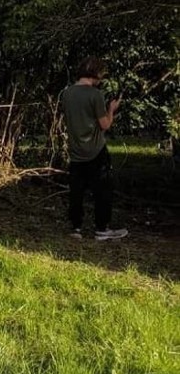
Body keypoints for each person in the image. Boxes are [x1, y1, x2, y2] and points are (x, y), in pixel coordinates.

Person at [60, 56, 128, 241]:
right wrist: (111, 109)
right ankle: (101, 228)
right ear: (96, 74)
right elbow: (104, 124)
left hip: (75, 150)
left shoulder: (66, 93)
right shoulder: (95, 95)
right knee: (103, 190)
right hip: (96, 150)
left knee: (77, 191)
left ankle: (76, 227)